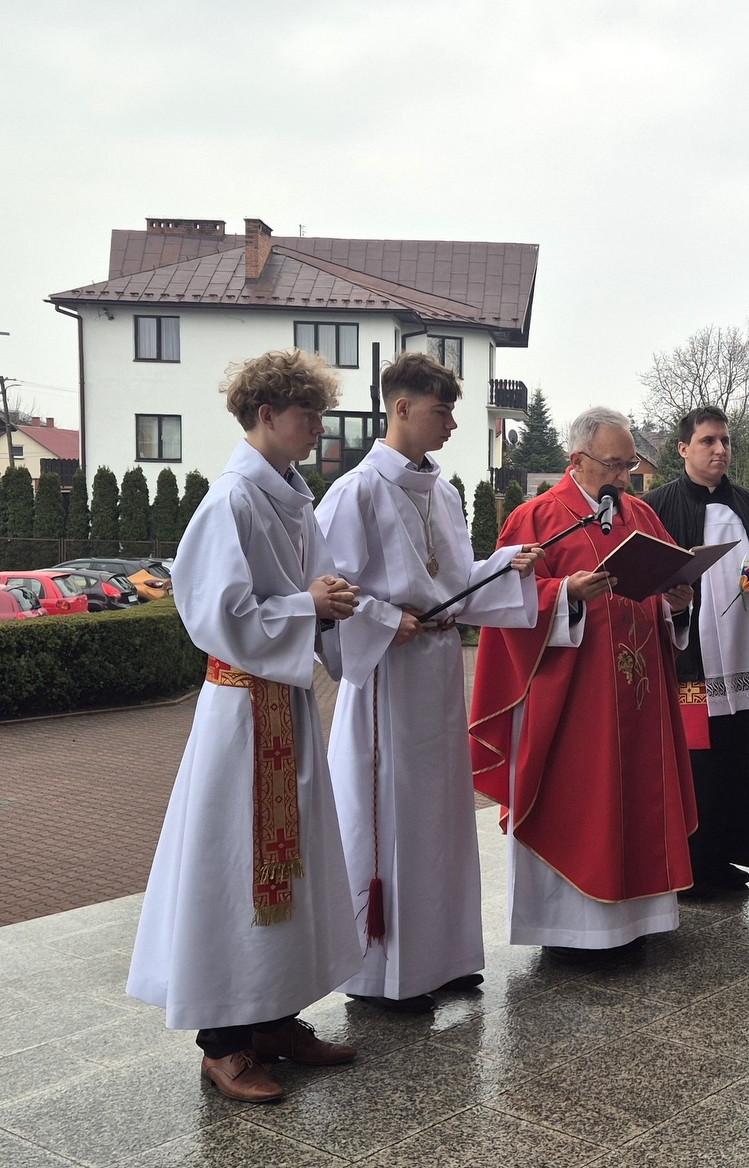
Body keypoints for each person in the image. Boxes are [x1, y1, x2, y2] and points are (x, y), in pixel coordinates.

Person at [126, 349, 364, 1104]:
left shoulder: (292, 496)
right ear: (267, 414)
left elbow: (308, 593)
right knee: (236, 868)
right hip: (240, 710)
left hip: (284, 705)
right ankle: (222, 1043)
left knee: (290, 868)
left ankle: (273, 1017)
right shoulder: (230, 500)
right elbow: (215, 615)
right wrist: (309, 607)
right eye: (308, 415)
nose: (318, 430)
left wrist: (330, 605)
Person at [316, 353, 541, 1013]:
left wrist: (507, 565)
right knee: (391, 817)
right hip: (388, 676)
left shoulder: (443, 492)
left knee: (442, 815)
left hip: (440, 669)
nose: (450, 422)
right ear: (401, 407)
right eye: (442, 410)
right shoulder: (355, 492)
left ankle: (445, 956)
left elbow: (456, 580)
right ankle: (383, 973)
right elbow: (330, 591)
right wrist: (387, 617)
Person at [469, 407, 699, 952]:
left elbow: (663, 588)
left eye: (629, 466)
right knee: (580, 804)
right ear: (577, 459)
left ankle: (639, 924)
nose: (624, 478)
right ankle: (570, 931)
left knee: (638, 800)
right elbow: (503, 607)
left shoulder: (642, 516)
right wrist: (564, 595)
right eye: (615, 466)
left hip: (639, 697)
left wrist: (677, 602)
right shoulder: (538, 518)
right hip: (574, 700)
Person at [643, 405, 749, 894]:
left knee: (742, 752)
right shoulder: (660, 505)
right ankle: (691, 863)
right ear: (684, 448)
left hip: (745, 652)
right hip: (690, 660)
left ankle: (731, 854)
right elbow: (646, 572)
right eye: (708, 441)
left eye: (725, 441)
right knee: (696, 760)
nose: (720, 450)